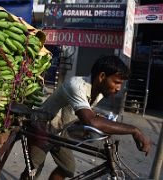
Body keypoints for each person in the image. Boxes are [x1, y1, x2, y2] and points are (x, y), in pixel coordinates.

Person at [20, 55, 152, 180]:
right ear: (102, 76)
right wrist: (135, 130)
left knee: (68, 168)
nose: (119, 88)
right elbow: (91, 121)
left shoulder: (99, 92)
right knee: (34, 171)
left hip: (60, 131)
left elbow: (86, 115)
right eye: (116, 82)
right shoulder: (76, 86)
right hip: (42, 128)